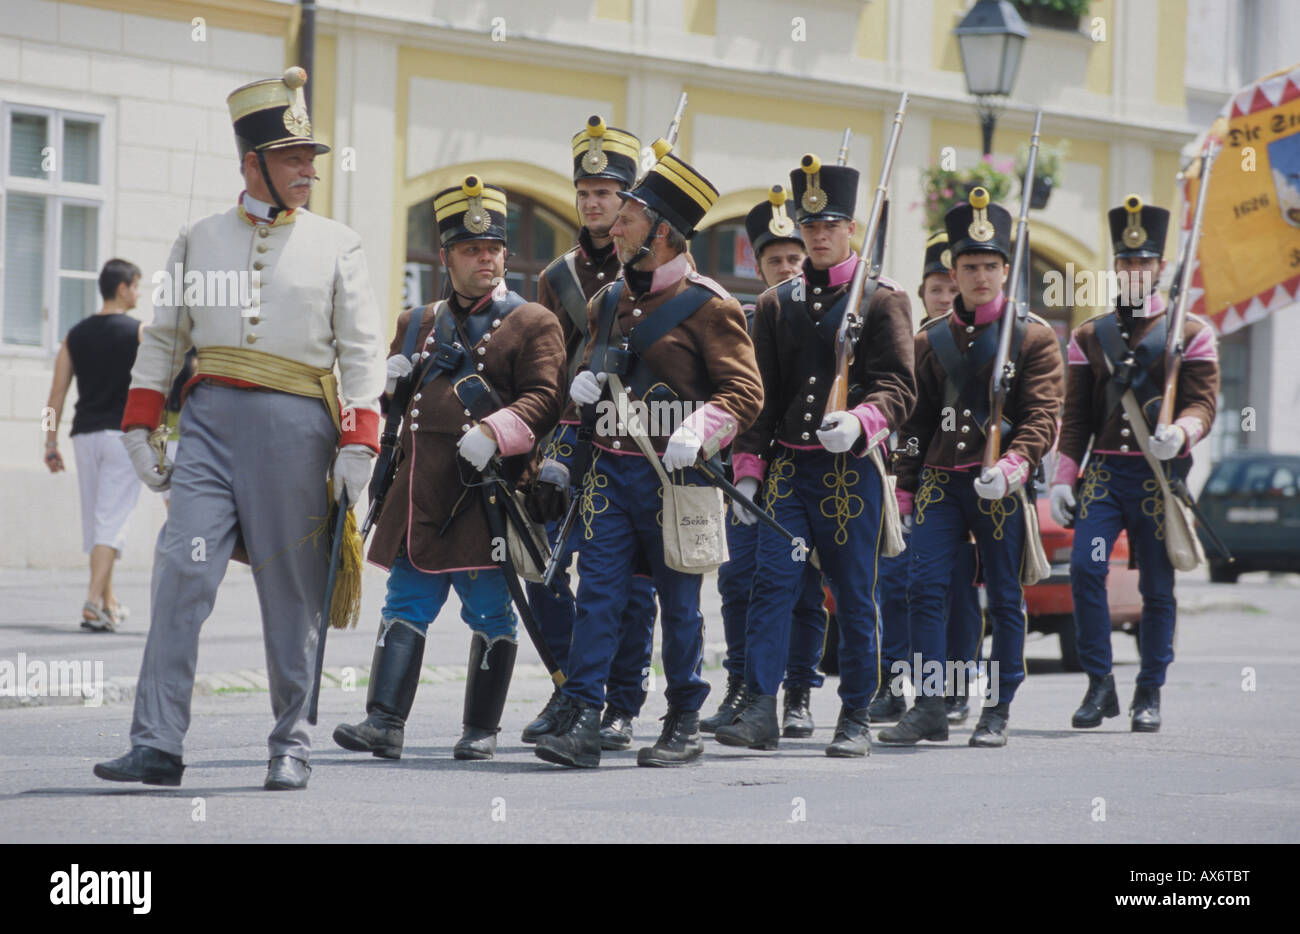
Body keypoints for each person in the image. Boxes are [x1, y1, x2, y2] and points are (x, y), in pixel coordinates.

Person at [93, 67, 386, 791]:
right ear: (251, 162)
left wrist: (359, 440)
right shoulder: (197, 239)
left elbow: (360, 351)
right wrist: (140, 425)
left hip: (298, 432)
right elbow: (162, 339)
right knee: (180, 575)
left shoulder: (338, 243)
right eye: (291, 158)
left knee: (291, 593)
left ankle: (292, 743)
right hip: (210, 427)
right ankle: (157, 741)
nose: (305, 171)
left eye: (310, 159)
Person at [534, 144, 763, 769]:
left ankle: (684, 715)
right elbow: (591, 368)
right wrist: (580, 389)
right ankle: (584, 713)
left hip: (676, 475)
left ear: (663, 231)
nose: (615, 221)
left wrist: (706, 426)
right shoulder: (607, 299)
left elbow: (745, 391)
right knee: (599, 595)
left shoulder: (710, 304)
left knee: (679, 606)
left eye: (630, 213)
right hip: (610, 470)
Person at [335, 175, 565, 761]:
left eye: (492, 249)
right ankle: (384, 723)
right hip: (418, 494)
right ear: (447, 257)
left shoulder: (533, 321)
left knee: (489, 610)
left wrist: (495, 431)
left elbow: (546, 400)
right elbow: (397, 407)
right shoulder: (417, 322)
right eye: (470, 249)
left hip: (484, 496)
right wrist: (383, 386)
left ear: (505, 254)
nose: (484, 259)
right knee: (404, 605)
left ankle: (481, 731)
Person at [718, 153, 916, 758]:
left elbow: (900, 387)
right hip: (788, 468)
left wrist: (861, 419)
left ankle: (855, 712)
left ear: (850, 229)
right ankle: (759, 706)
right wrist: (748, 472)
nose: (819, 236)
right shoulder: (776, 304)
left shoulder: (882, 300)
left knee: (853, 592)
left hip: (848, 470)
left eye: (830, 226)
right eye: (810, 228)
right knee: (770, 584)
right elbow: (762, 396)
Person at [882, 188, 1063, 749]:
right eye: (969, 266)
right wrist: (907, 489)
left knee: (1004, 596)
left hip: (1000, 484)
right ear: (953, 273)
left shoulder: (1032, 336)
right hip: (941, 480)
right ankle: (933, 703)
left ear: (1006, 269)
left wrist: (1014, 464)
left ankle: (998, 706)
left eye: (990, 265)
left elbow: (1043, 415)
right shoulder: (930, 340)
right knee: (925, 589)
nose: (980, 276)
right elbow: (915, 424)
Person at [1051, 196, 1218, 733]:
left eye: (1143, 262)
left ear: (1159, 268)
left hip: (1155, 477)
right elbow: (1074, 415)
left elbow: (1204, 403)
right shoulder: (1087, 336)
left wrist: (1183, 431)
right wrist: (1063, 475)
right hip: (1103, 477)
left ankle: (1151, 690)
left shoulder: (1189, 333)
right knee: (1085, 569)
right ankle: (1100, 684)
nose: (1133, 271)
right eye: (1124, 263)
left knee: (1157, 588)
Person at [521, 116, 658, 753]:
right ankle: (570, 685)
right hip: (570, 440)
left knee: (629, 582)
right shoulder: (557, 277)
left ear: (629, 201)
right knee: (544, 569)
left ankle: (621, 705)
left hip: (636, 439)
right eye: (584, 193)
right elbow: (542, 361)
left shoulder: (656, 270)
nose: (592, 203)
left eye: (605, 193)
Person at [701, 186, 828, 739]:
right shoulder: (742, 318)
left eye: (793, 257)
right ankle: (742, 689)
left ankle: (797, 694)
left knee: (800, 588)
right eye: (773, 259)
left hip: (807, 470)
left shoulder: (826, 321)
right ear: (756, 263)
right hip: (747, 474)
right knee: (738, 582)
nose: (784, 266)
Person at [870, 232, 984, 725]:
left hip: (967, 485)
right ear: (923, 292)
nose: (944, 296)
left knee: (958, 591)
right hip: (907, 483)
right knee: (897, 587)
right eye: (936, 287)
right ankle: (895, 686)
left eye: (949, 287)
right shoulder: (908, 342)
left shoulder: (985, 343)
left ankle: (955, 687)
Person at [42, 258, 144, 632]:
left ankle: (107, 601)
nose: (139, 293)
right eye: (137, 286)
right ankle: (90, 602)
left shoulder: (74, 334)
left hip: (83, 436)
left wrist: (49, 442)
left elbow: (54, 396)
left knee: (99, 521)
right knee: (111, 522)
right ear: (123, 288)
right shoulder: (139, 333)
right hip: (123, 436)